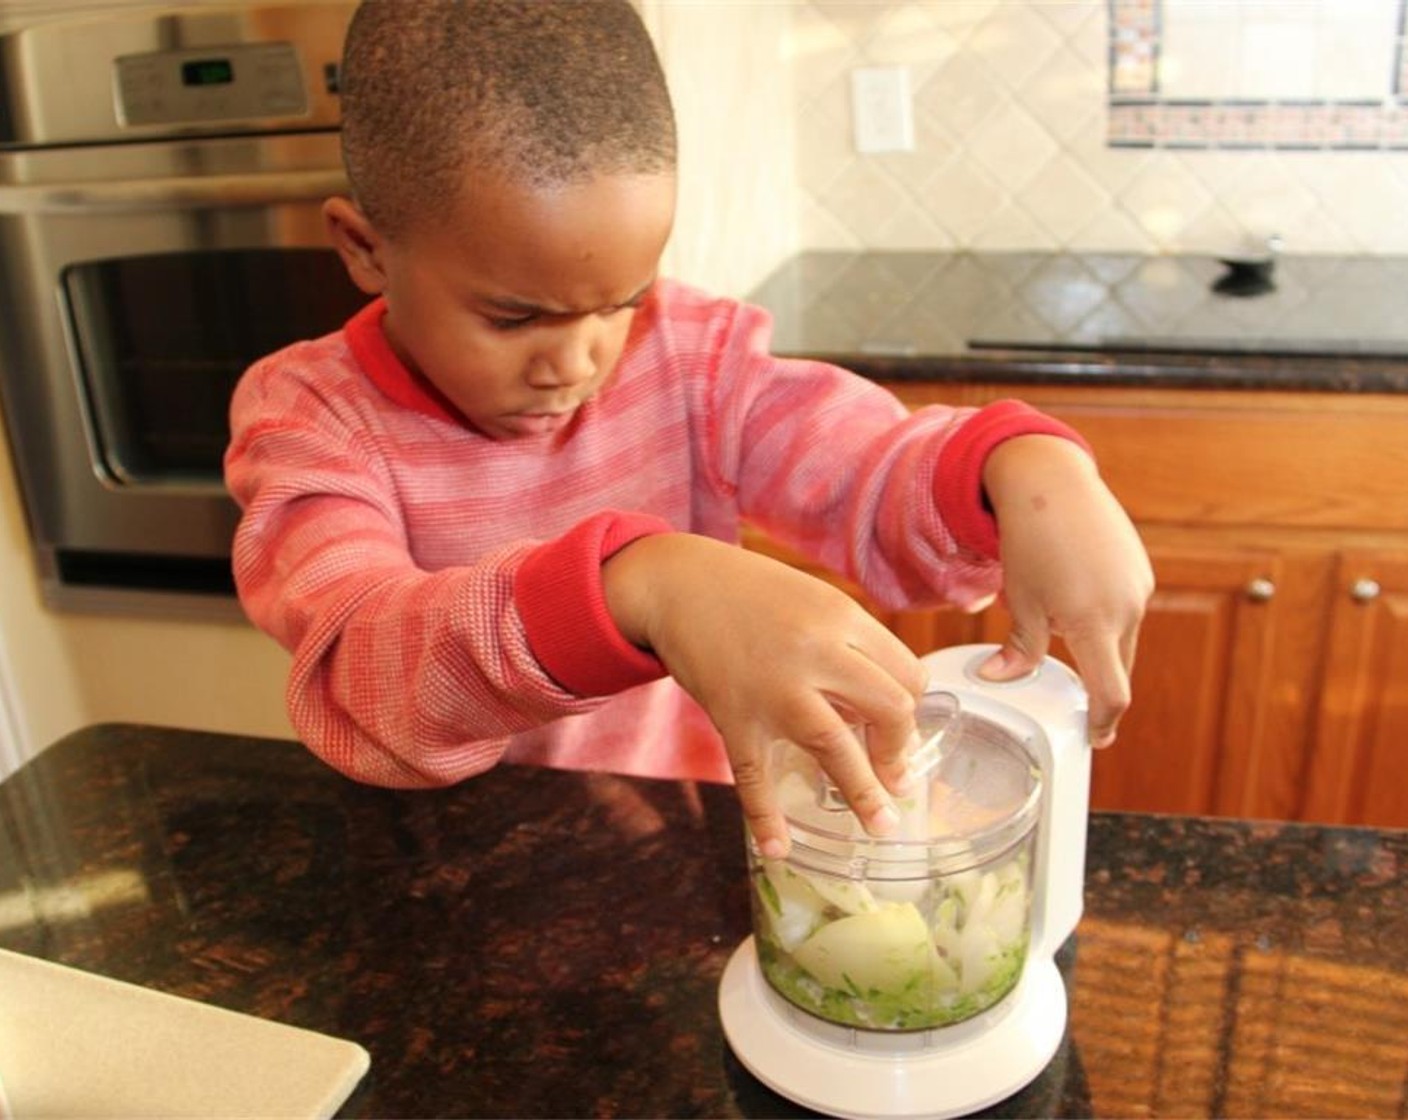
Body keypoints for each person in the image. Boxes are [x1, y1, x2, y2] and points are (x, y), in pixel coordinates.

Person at [224, 0, 1153, 859]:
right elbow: (363, 671)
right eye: (514, 318)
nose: (576, 360)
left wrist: (1020, 471)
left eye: (620, 302)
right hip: (451, 864)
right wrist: (638, 585)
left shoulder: (689, 356)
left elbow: (862, 464)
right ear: (365, 249)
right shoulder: (312, 421)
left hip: (680, 838)